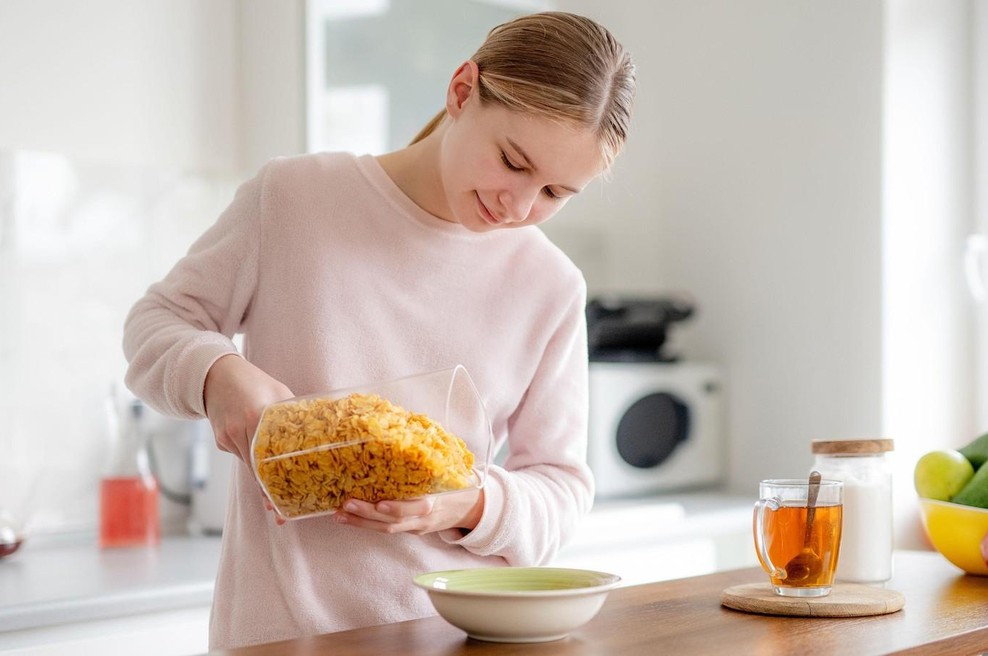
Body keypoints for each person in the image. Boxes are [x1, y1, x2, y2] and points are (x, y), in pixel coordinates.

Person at [123, 10, 635, 651]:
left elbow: (560, 487)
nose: (520, 207)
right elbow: (157, 321)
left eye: (557, 192)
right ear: (460, 90)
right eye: (512, 161)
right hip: (283, 636)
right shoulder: (293, 199)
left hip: (451, 637)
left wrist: (465, 503)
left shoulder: (552, 286)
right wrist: (216, 373)